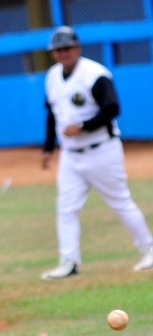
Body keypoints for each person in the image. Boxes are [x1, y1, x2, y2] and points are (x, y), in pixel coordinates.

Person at [39, 26, 153, 280]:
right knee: (65, 207)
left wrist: (82, 126)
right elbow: (52, 112)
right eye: (57, 50)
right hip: (70, 154)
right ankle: (69, 261)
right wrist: (48, 148)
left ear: (77, 48)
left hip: (101, 150)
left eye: (67, 48)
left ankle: (149, 248)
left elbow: (112, 108)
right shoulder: (52, 77)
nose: (63, 53)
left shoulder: (95, 75)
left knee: (120, 201)